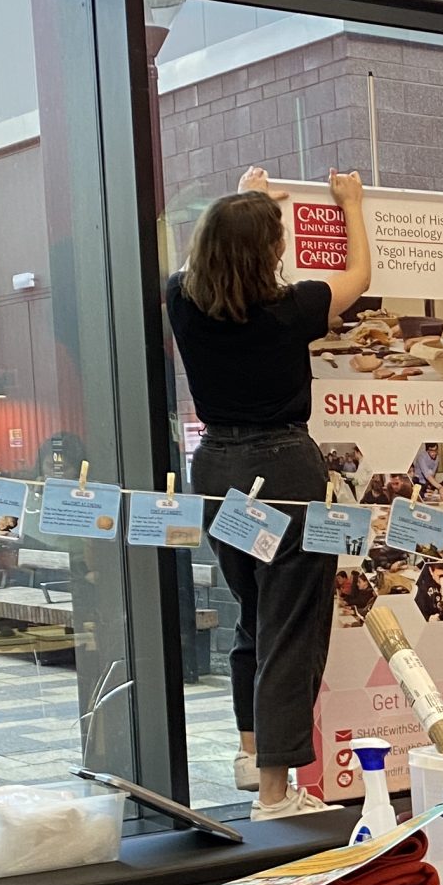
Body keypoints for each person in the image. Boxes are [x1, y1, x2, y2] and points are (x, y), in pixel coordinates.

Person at [167, 165, 373, 819]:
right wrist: (352, 205)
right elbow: (360, 279)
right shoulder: (293, 308)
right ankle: (279, 794)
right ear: (269, 254)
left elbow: (218, 249)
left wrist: (250, 194)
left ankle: (251, 753)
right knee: (292, 627)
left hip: (218, 472)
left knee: (254, 614)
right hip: (284, 473)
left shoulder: (180, 298)